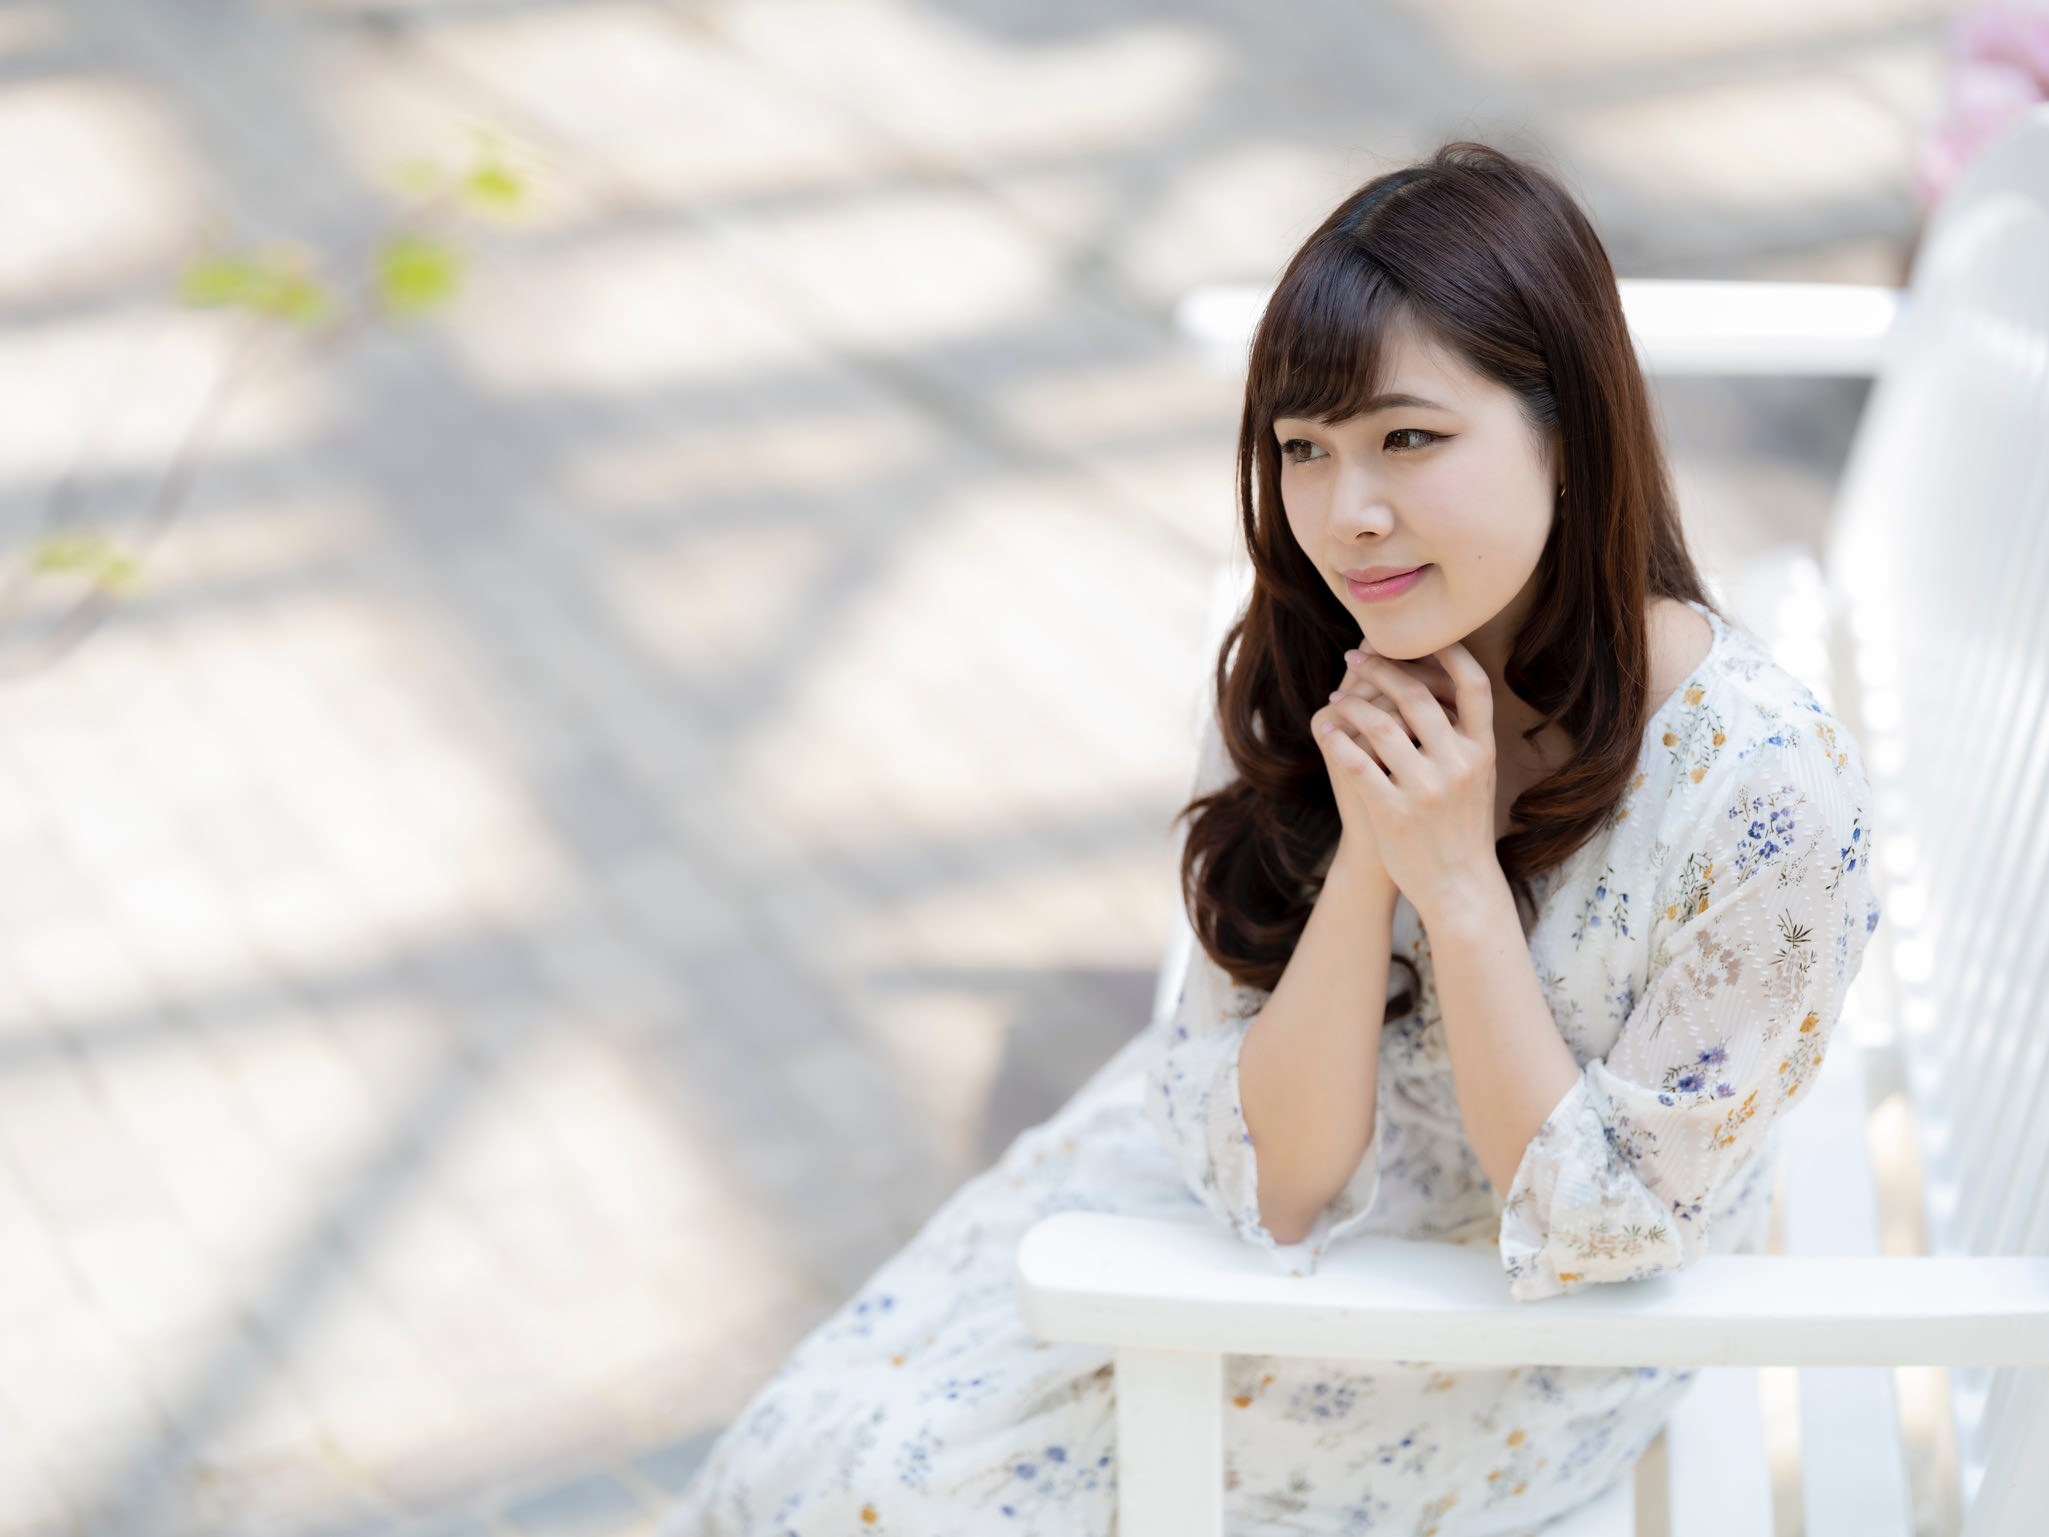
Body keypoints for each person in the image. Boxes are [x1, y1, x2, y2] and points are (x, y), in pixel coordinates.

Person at [656, 140, 1883, 1537]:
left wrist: (1458, 890)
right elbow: (1278, 1182)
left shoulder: (1761, 794)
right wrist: (1372, 849)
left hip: (1494, 1338)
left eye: (1407, 439)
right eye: (1305, 449)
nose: (1346, 515)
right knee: (793, 1462)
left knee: (891, 1507)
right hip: (1246, 1224)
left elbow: (1597, 1230)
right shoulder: (1312, 659)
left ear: (1570, 432)